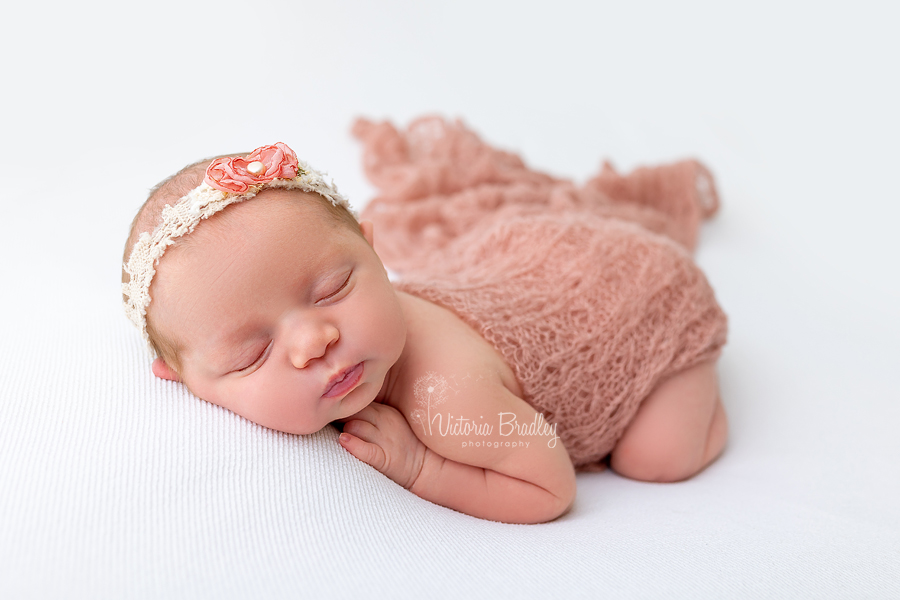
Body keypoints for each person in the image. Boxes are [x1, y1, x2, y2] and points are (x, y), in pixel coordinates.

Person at [122, 117, 728, 524]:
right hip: (546, 277)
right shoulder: (347, 338)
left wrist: (422, 467)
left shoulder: (448, 403)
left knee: (657, 459)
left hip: (640, 300)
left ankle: (702, 386)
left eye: (334, 288)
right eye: (250, 355)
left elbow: (551, 489)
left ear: (376, 252)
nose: (313, 341)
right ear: (180, 377)